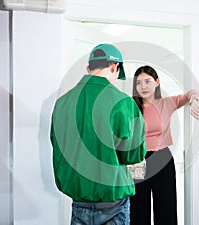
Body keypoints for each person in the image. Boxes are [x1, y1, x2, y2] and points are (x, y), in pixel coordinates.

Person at [50, 44, 147, 225]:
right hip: (113, 201)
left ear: (88, 68)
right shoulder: (123, 102)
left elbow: (57, 145)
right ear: (114, 67)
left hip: (79, 200)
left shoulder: (62, 103)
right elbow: (134, 154)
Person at [130, 65, 199, 225]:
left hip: (162, 158)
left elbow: (191, 94)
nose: (143, 87)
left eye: (147, 81)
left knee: (166, 207)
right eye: (139, 83)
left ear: (157, 82)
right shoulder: (130, 106)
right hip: (137, 160)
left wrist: (194, 101)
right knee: (137, 208)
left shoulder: (168, 103)